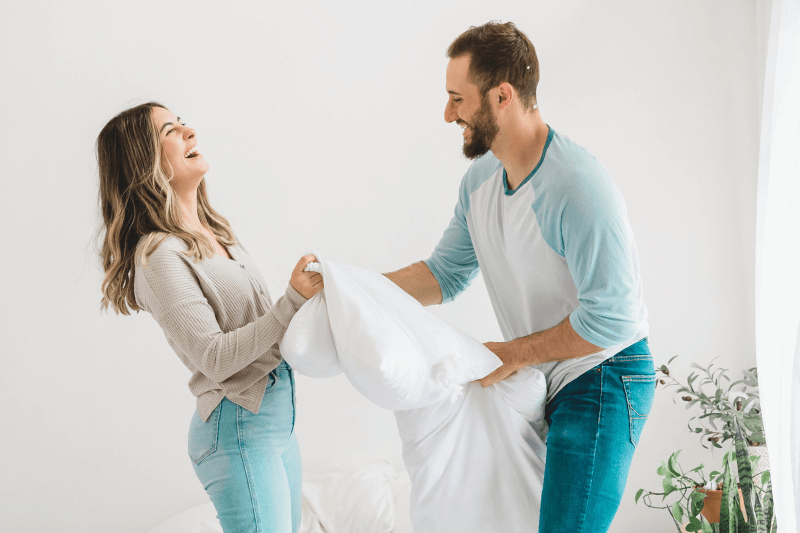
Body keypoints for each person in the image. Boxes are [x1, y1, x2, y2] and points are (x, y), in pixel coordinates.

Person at [385, 21, 655, 533]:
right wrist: (352, 288)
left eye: (456, 99)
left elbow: (613, 318)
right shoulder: (480, 181)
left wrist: (512, 354)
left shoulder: (577, 186)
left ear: (501, 96)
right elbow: (443, 274)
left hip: (605, 372)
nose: (448, 114)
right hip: (544, 376)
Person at [96, 102, 322, 533]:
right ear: (145, 161)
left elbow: (263, 326)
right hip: (238, 430)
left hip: (277, 420)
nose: (189, 132)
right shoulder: (158, 256)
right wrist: (291, 300)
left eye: (182, 123)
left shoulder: (216, 233)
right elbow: (214, 357)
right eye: (170, 131)